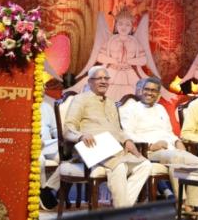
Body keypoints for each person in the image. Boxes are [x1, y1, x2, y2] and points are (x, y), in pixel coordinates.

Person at [63, 65, 152, 208]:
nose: (103, 81)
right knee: (119, 166)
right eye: (99, 78)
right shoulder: (80, 99)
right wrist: (81, 135)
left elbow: (118, 129)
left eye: (106, 78)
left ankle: (122, 210)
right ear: (90, 81)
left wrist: (127, 140)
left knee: (145, 165)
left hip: (114, 148)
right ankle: (123, 212)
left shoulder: (111, 103)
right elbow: (68, 127)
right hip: (91, 147)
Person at [119, 77, 198, 216]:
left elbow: (168, 132)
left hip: (169, 150)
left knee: (183, 162)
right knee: (181, 158)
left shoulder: (161, 109)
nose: (149, 93)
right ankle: (183, 201)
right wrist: (151, 146)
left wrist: (177, 142)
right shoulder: (131, 108)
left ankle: (190, 205)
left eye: (153, 90)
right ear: (141, 90)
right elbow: (128, 133)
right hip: (149, 151)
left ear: (158, 94)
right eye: (147, 89)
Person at [74, 7, 162, 101]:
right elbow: (100, 56)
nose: (124, 27)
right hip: (112, 71)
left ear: (132, 27)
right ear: (116, 26)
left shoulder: (135, 42)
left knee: (140, 93)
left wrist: (130, 61)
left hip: (129, 72)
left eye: (127, 24)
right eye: (120, 24)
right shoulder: (110, 40)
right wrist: (113, 60)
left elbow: (143, 59)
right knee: (101, 91)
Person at [38, 100, 60, 210]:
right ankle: (42, 190)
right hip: (33, 147)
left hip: (49, 146)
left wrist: (60, 140)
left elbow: (55, 129)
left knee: (64, 160)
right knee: (40, 161)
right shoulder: (22, 105)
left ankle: (49, 188)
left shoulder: (47, 106)